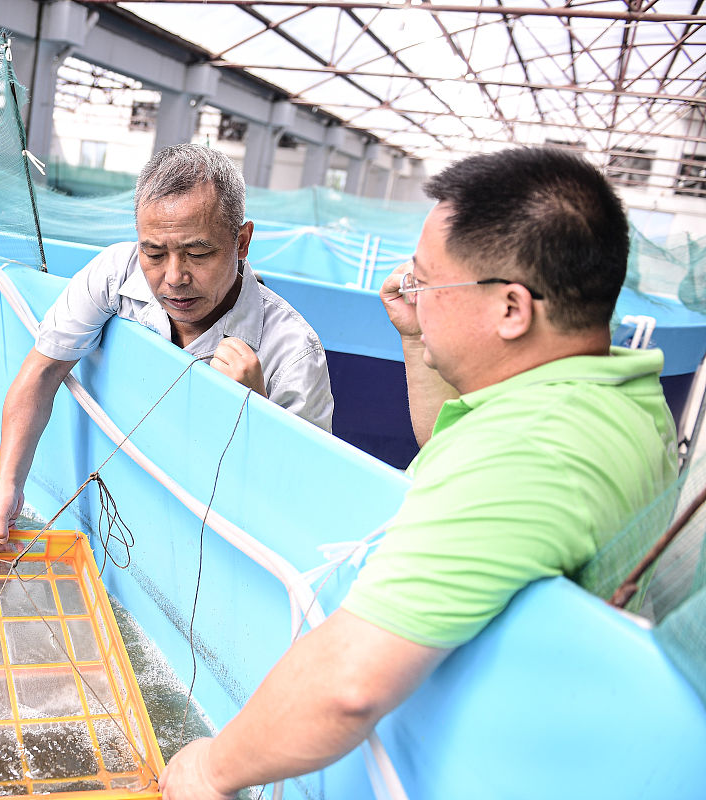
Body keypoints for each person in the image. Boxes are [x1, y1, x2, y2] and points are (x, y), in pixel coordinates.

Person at [158, 146, 679, 798]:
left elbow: (349, 684)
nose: (408, 289)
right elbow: (449, 446)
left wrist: (209, 768)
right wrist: (417, 337)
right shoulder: (606, 398)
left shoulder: (533, 453)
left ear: (512, 309)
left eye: (429, 281)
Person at [0, 143, 333, 543]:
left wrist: (254, 412)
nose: (174, 277)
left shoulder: (294, 354)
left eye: (198, 253)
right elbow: (42, 372)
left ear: (242, 241)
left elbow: (304, 503)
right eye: (155, 253)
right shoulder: (116, 272)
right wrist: (7, 484)